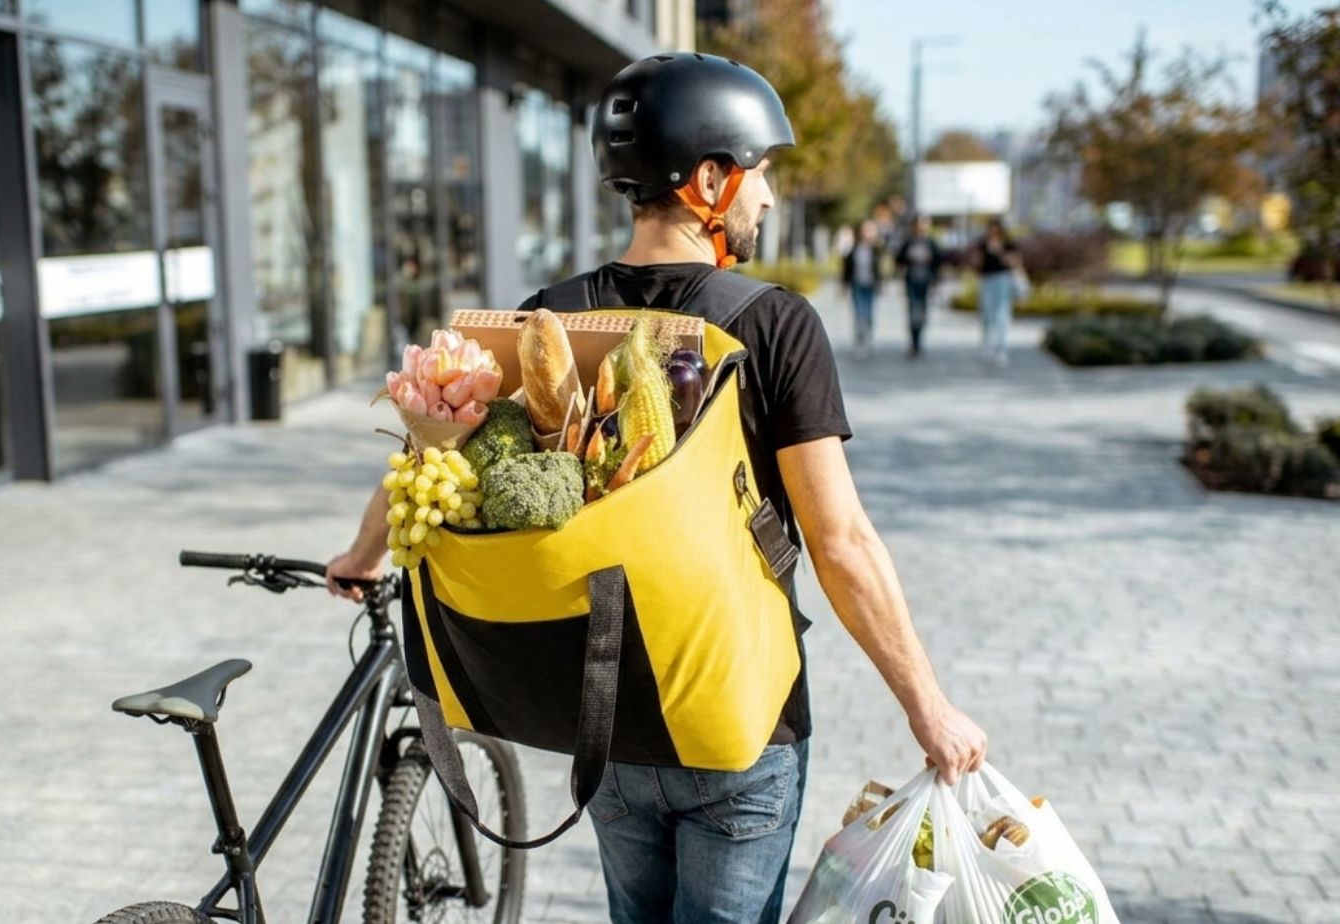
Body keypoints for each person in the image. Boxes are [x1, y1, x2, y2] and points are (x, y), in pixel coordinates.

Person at [325, 53, 987, 924]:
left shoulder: (547, 321)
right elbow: (841, 542)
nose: (769, 199)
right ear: (709, 178)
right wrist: (928, 708)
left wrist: (363, 555)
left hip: (605, 712)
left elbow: (429, 453)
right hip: (735, 722)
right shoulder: (775, 324)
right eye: (761, 174)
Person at [973, 217, 1020, 366]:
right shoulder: (982, 244)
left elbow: (1015, 262)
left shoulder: (1008, 244)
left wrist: (999, 252)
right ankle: (987, 344)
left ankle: (1001, 347)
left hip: (1003, 279)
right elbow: (976, 264)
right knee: (986, 313)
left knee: (1002, 314)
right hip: (987, 280)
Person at [894, 215, 941, 357]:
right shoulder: (908, 243)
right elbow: (898, 259)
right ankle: (914, 342)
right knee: (913, 311)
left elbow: (938, 261)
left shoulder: (931, 243)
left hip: (925, 281)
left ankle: (919, 339)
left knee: (922, 312)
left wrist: (935, 278)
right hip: (911, 281)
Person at [841, 219, 882, 356]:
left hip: (870, 284)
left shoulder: (876, 250)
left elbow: (879, 268)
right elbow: (846, 268)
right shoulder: (854, 249)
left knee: (869, 313)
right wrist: (843, 284)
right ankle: (859, 339)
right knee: (859, 313)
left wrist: (880, 283)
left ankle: (867, 337)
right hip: (857, 284)